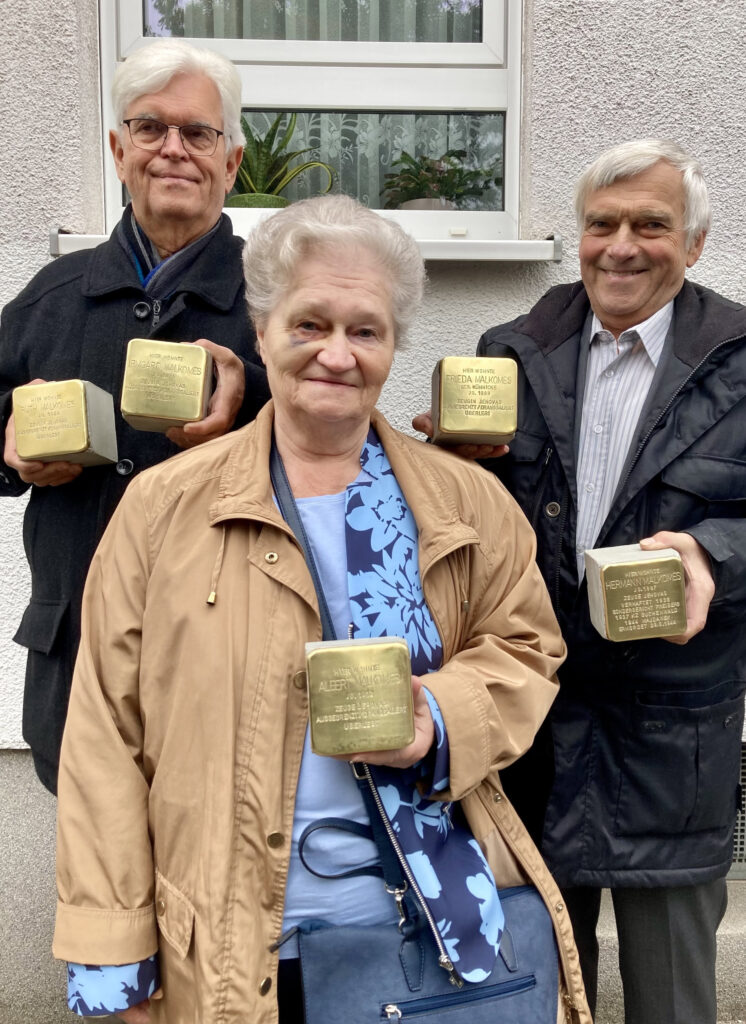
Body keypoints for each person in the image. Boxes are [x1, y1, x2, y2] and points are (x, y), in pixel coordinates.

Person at [52, 195, 590, 1023]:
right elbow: (104, 736)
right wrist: (113, 952)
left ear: (393, 345)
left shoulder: (464, 504)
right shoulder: (164, 509)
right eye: (309, 324)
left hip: (421, 939)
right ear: (262, 331)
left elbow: (526, 648)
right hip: (222, 945)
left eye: (365, 330)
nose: (336, 354)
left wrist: (437, 716)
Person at [417, 139, 746, 1024]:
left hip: (669, 747)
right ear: (579, 234)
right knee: (535, 1001)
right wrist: (450, 470)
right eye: (602, 224)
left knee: (671, 1005)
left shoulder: (742, 362)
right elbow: (480, 530)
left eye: (651, 225)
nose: (622, 246)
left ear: (696, 243)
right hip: (536, 738)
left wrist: (715, 552)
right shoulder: (513, 350)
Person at [0, 39, 270, 794]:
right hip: (76, 653)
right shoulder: (54, 294)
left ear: (232, 161)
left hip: (227, 660)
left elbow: (346, 441)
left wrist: (250, 397)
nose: (172, 150)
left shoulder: (281, 302)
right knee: (97, 895)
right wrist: (9, 443)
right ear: (119, 151)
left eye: (198, 133)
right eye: (150, 129)